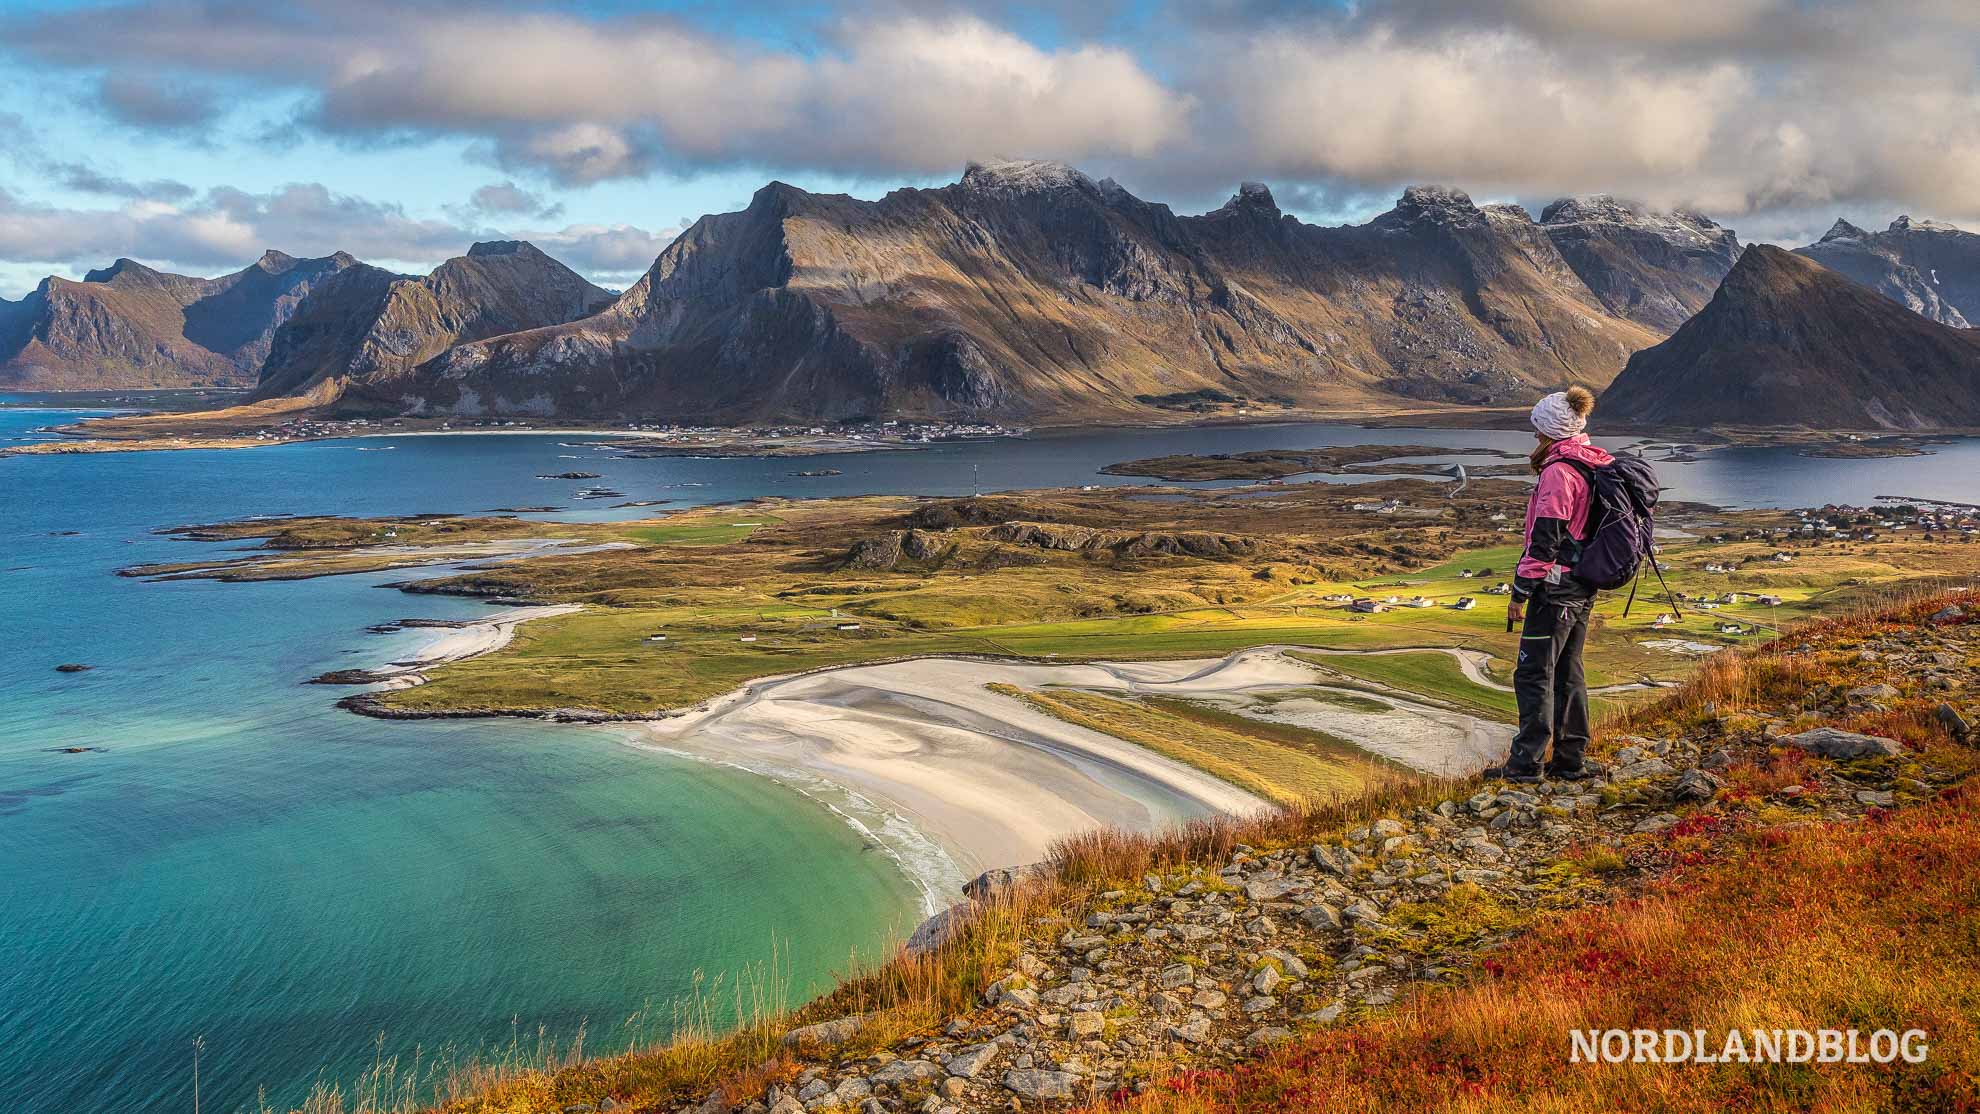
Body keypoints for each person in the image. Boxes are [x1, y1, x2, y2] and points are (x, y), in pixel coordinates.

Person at [1483, 386, 1611, 783]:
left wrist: (1520, 591)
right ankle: (1571, 760)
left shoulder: (1559, 472)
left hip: (1555, 589)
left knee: (1534, 673)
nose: (1535, 438)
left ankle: (1525, 765)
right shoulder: (1591, 462)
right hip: (1582, 585)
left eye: (1538, 432)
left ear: (1551, 432)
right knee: (1568, 669)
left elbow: (1545, 541)